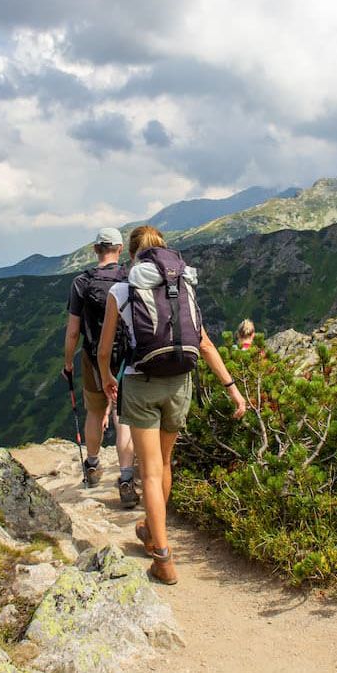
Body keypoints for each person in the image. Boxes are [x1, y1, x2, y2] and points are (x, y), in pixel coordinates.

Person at [99, 225, 247, 585]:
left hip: (142, 382)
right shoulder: (183, 286)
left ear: (133, 254)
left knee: (148, 471)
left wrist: (106, 376)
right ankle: (151, 532)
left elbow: (104, 350)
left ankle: (162, 557)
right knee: (165, 464)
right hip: (181, 383)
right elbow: (206, 343)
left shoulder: (122, 289)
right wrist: (232, 389)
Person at [63, 227, 138, 508]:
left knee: (95, 411)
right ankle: (127, 478)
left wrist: (68, 362)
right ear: (120, 250)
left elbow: (73, 332)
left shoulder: (81, 283)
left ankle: (92, 466)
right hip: (127, 357)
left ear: (96, 250)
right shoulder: (129, 278)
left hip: (93, 356)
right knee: (124, 418)